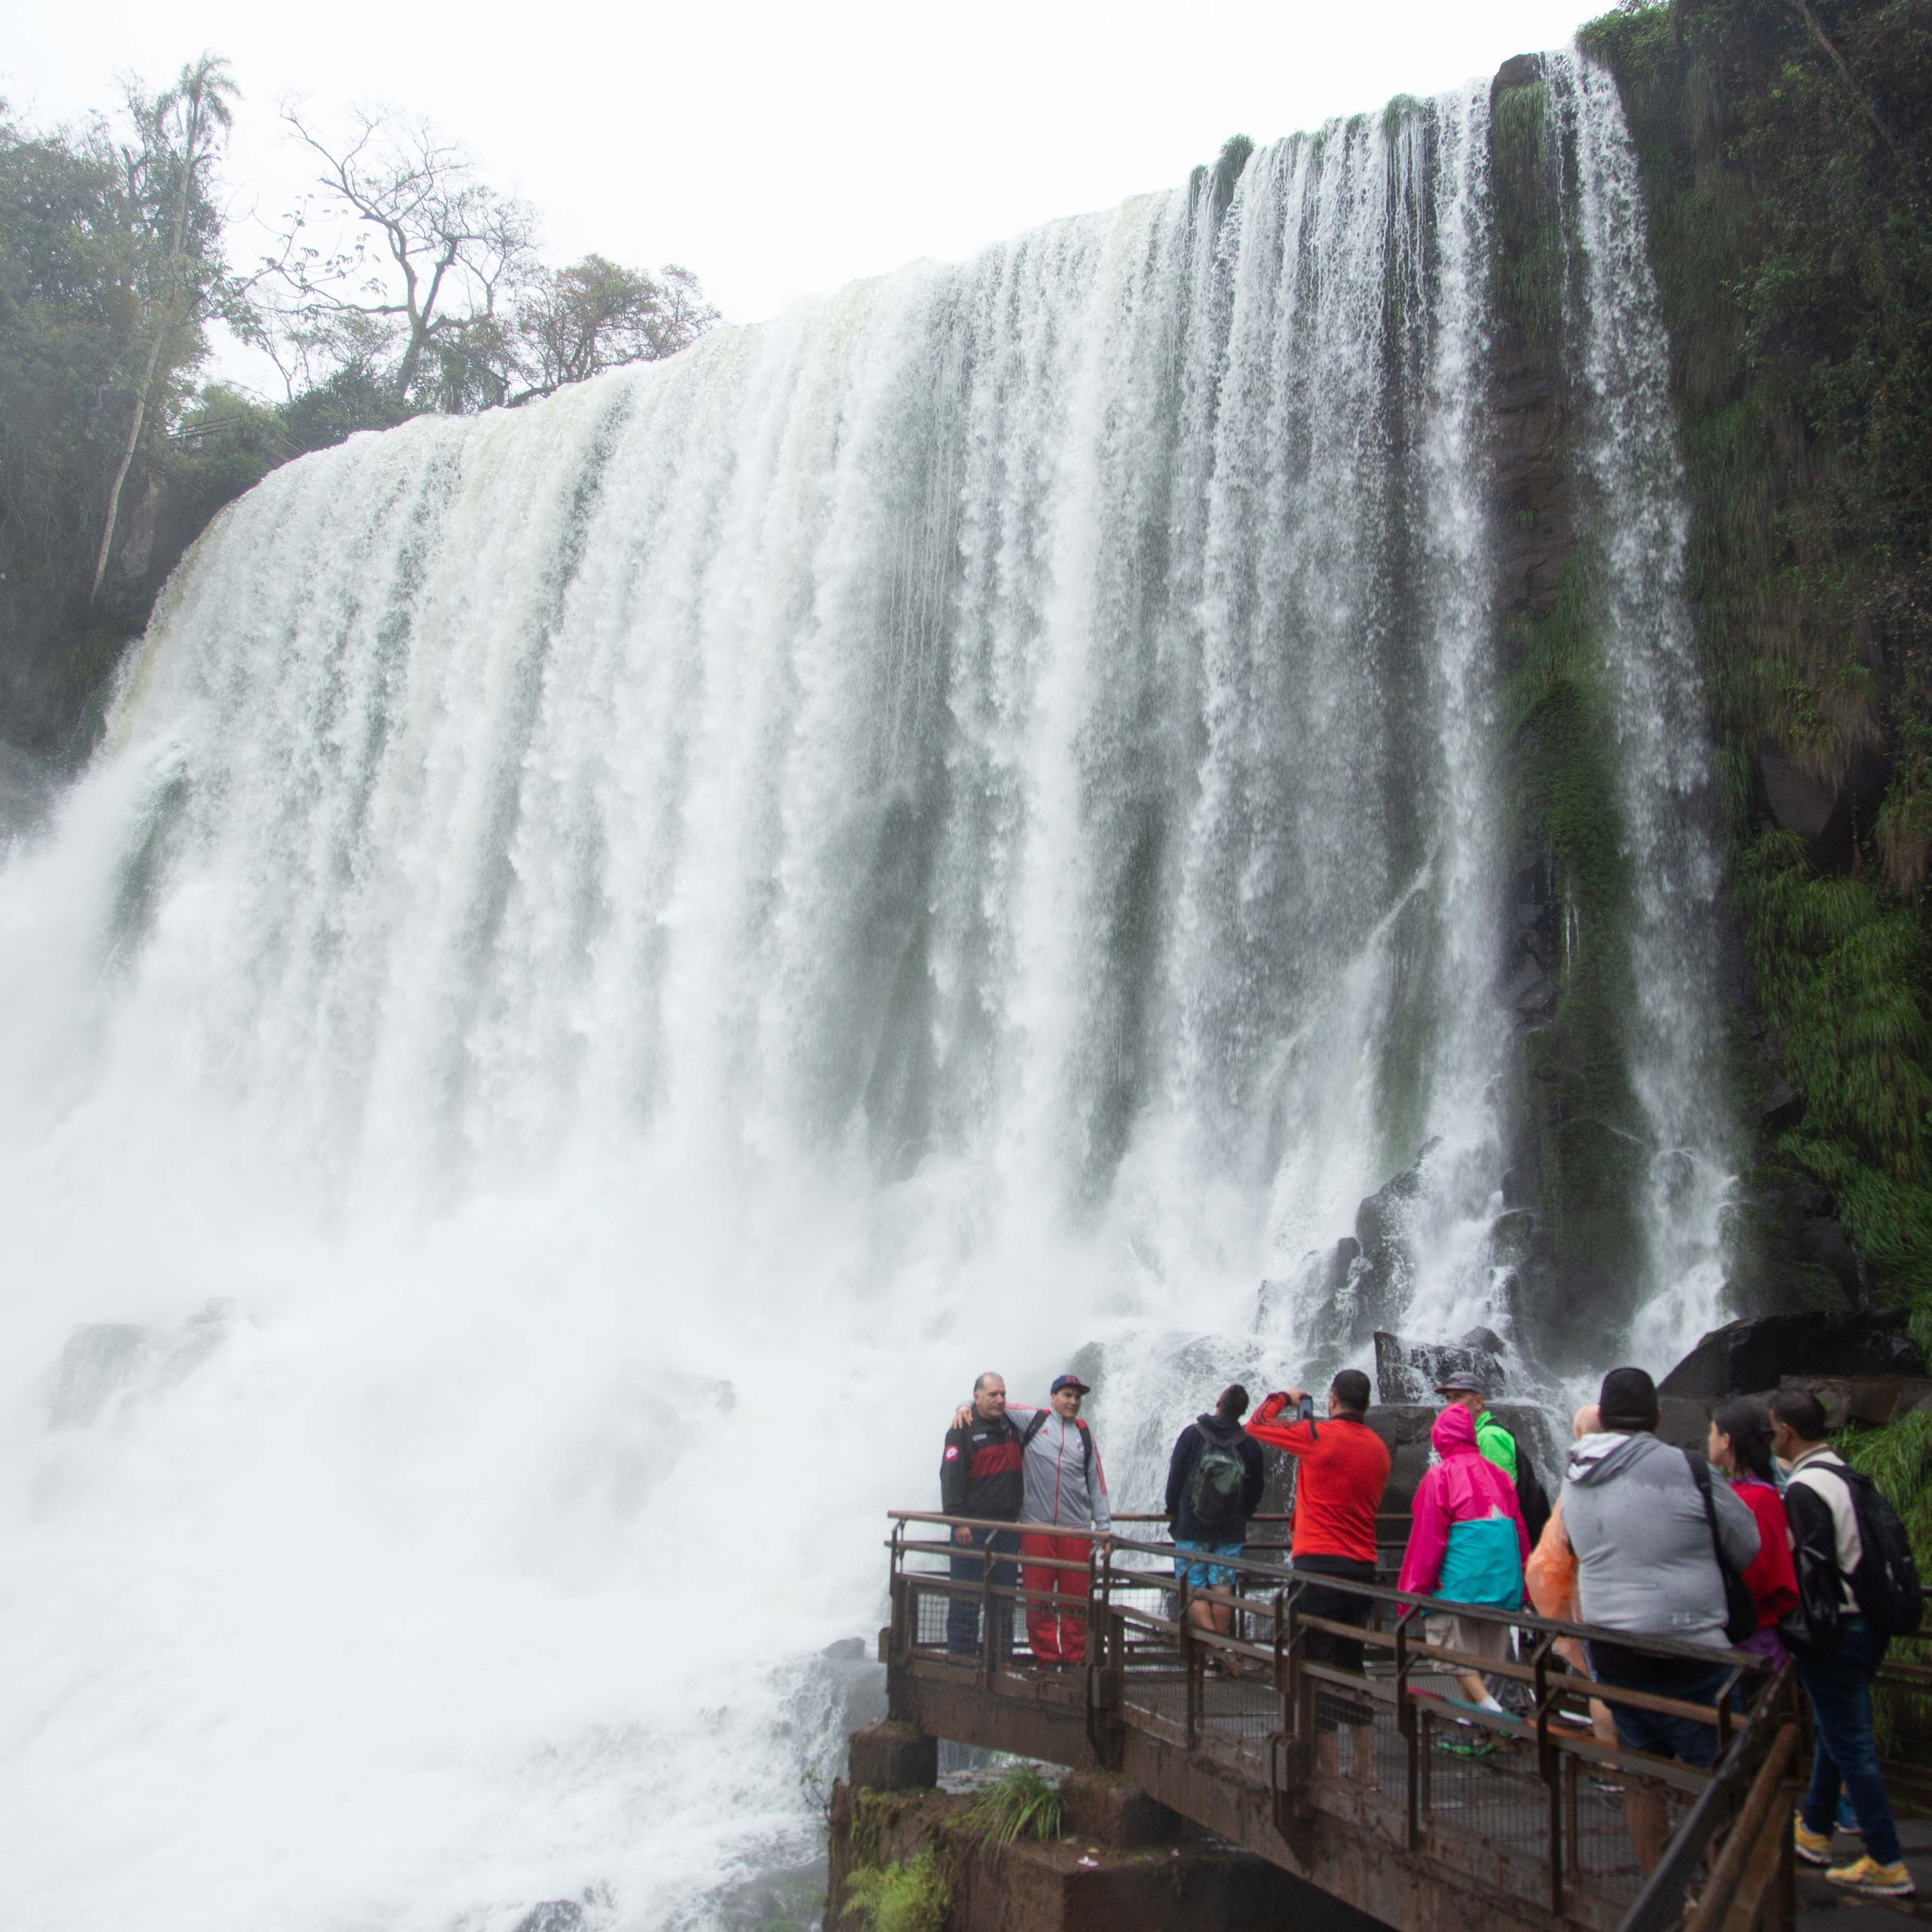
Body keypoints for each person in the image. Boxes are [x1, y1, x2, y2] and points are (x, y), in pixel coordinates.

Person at [1563, 1366, 1759, 1876]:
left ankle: (1658, 1885)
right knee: (1713, 1776)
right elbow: (1748, 1545)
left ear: (1601, 1418)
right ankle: (1718, 1894)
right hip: (1690, 1650)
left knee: (1639, 1772)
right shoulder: (1689, 1469)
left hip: (1611, 1650)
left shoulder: (1575, 1475)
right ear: (1660, 1415)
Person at [1773, 1386, 1915, 1900]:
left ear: (1786, 1432)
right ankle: (1814, 1831)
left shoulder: (1806, 1487)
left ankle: (1886, 1859)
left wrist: (1802, 1631)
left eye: (1772, 1431)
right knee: (1835, 1728)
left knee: (1850, 1741)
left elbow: (1812, 1570)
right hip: (1868, 1622)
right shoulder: (1845, 1473)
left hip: (1840, 1629)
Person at [1249, 1370, 1391, 1786]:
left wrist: (1285, 1397)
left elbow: (1256, 1424)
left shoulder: (1318, 1436)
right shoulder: (1379, 1450)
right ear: (1365, 1404)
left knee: (1316, 1667)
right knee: (1351, 1662)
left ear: (1332, 1401)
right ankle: (1365, 1766)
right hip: (1362, 1569)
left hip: (1318, 1569)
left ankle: (1328, 1773)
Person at [955, 1374, 1111, 1665]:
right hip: (1035, 1527)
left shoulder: (1084, 1433)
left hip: (1076, 1530)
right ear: (1052, 1398)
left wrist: (1103, 1527)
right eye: (1067, 1395)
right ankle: (1047, 1658)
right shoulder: (1034, 1420)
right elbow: (992, 1403)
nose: (1073, 1402)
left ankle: (1075, 1659)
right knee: (1037, 1599)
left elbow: (1096, 1481)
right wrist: (963, 1405)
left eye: (1077, 1397)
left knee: (1076, 1600)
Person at [1399, 1401, 1529, 1737]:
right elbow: (1521, 1535)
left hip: (1459, 1586)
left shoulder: (1440, 1476)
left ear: (1441, 1438)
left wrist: (1410, 1596)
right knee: (1482, 1661)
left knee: (1452, 1653)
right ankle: (1471, 1725)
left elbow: (1426, 1542)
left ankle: (1491, 1710)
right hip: (1502, 1586)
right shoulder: (1499, 1476)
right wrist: (1526, 1590)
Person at [1524, 1404, 1618, 1749]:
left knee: (1603, 1681)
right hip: (1650, 1602)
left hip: (1595, 1597)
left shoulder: (1580, 1477)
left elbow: (1558, 1545)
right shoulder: (1648, 1468)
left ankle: (1613, 1765)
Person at [1165, 1384, 1267, 1638]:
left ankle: (1216, 1647)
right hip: (1231, 1529)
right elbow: (1257, 1487)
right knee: (1223, 1587)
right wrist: (1245, 1514)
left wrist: (1172, 1511)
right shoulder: (1250, 1445)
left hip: (1192, 1525)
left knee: (1192, 1586)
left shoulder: (1192, 1435)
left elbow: (1175, 1477)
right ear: (1243, 1411)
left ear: (1218, 1403)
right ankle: (1221, 1647)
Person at [1706, 1396, 1797, 1665]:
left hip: (1749, 1634)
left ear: (1726, 1440)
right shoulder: (1743, 1492)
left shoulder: (1758, 1498)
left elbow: (1760, 1571)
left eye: (1712, 1431)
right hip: (1734, 1628)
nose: (1708, 1439)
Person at [940, 1372, 1023, 1658]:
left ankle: (1000, 1663)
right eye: (993, 1395)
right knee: (966, 1598)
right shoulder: (962, 1428)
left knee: (1004, 1601)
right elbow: (950, 1478)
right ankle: (961, 1662)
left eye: (1003, 1394)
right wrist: (959, 1521)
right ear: (977, 1398)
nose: (1000, 1399)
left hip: (1007, 1530)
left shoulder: (1011, 1424)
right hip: (971, 1530)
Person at [1437, 1370, 1551, 1544]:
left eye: (1458, 1397)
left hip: (1497, 1540)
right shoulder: (1478, 1435)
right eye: (1448, 1398)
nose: (1450, 1405)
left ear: (1478, 1403)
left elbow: (1497, 1498)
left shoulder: (1489, 1436)